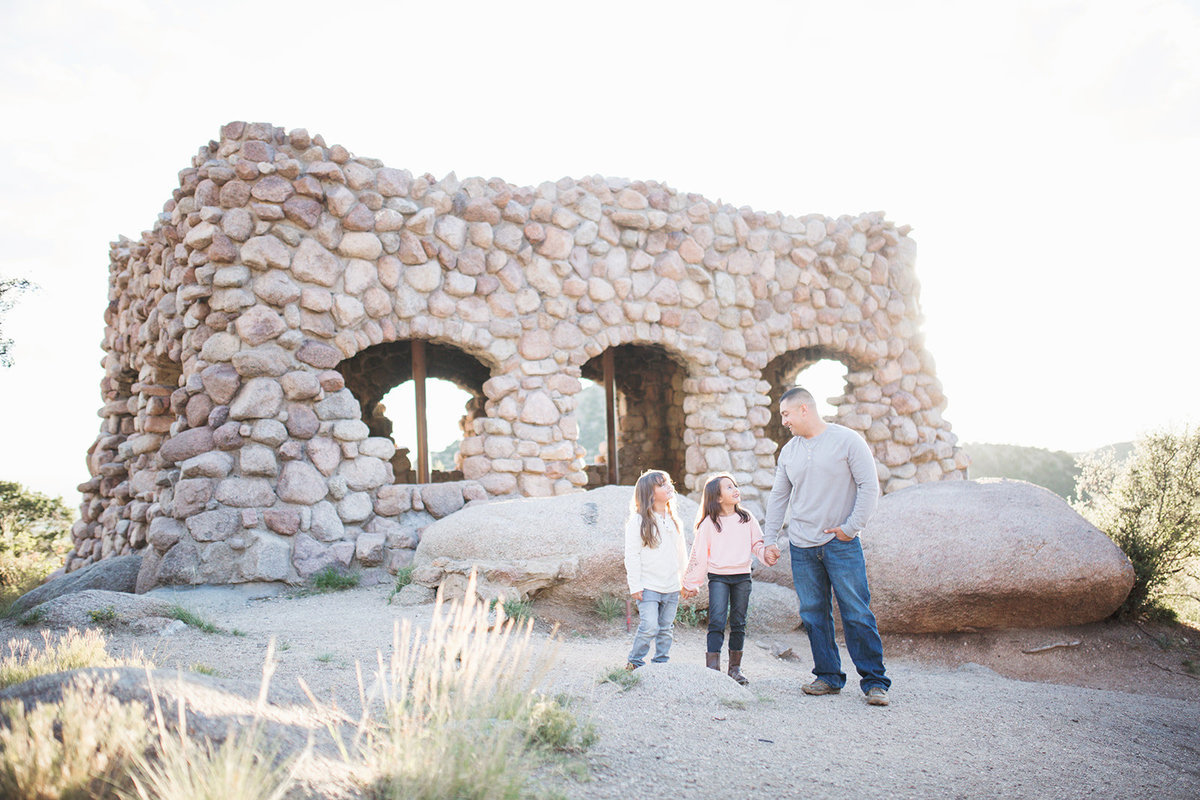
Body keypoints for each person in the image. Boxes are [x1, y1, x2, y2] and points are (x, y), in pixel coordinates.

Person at [761, 386, 892, 706]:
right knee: (813, 613)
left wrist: (851, 528)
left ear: (804, 409)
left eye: (786, 414)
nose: (784, 421)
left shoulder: (847, 440)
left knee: (856, 611)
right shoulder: (788, 452)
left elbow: (869, 486)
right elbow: (779, 497)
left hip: (841, 544)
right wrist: (770, 539)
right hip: (802, 547)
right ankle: (828, 676)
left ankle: (875, 682)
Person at [682, 472, 767, 685]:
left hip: (742, 577)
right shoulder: (709, 524)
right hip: (718, 577)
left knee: (739, 622)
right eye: (728, 487)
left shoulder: (746, 518)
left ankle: (735, 669)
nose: (735, 489)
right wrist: (691, 583)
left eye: (735, 485)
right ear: (718, 498)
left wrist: (768, 555)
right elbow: (699, 555)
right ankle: (712, 669)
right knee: (717, 620)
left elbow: (758, 544)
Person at [623, 469, 688, 669]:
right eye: (662, 484)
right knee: (649, 626)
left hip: (671, 586)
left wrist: (685, 580)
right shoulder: (639, 522)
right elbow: (632, 555)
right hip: (648, 586)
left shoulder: (674, 520)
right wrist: (635, 586)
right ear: (650, 494)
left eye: (668, 482)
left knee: (666, 628)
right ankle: (635, 662)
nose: (669, 486)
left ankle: (661, 663)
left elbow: (681, 552)